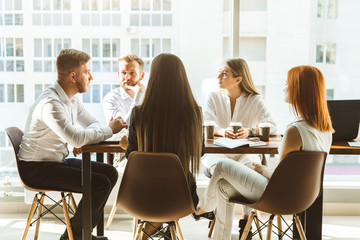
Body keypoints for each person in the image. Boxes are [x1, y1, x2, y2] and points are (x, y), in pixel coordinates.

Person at [197, 65, 334, 240]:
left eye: (287, 83)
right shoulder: (325, 129)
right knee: (223, 187)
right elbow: (294, 174)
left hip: (280, 194)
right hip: (306, 195)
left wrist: (263, 170)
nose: (284, 87)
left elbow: (282, 178)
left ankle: (204, 208)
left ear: (299, 89)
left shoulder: (295, 131)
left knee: (223, 166)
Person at [18, 49, 128, 240]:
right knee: (100, 183)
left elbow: (90, 125)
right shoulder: (50, 103)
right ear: (73, 76)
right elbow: (77, 138)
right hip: (36, 169)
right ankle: (77, 236)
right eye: (87, 72)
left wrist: (82, 137)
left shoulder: (71, 99)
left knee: (109, 173)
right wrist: (106, 130)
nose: (91, 77)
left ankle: (77, 234)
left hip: (54, 162)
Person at [125, 53, 206, 238]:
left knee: (157, 200)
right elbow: (199, 152)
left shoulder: (139, 113)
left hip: (142, 193)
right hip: (181, 195)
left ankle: (147, 234)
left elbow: (131, 156)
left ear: (153, 79)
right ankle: (158, 232)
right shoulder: (194, 113)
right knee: (178, 187)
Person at [201, 58, 277, 238]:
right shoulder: (214, 97)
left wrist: (250, 131)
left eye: (224, 73)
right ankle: (244, 219)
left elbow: (272, 125)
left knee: (245, 169)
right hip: (218, 153)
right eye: (219, 72)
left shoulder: (255, 99)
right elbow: (206, 124)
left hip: (246, 153)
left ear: (238, 79)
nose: (219, 76)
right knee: (222, 169)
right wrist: (221, 131)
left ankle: (207, 207)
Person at [103, 53, 145, 169]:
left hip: (150, 149)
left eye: (132, 73)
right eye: (123, 73)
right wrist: (138, 98)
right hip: (124, 153)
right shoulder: (111, 98)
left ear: (141, 75)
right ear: (118, 74)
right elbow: (122, 126)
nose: (127, 77)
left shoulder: (150, 95)